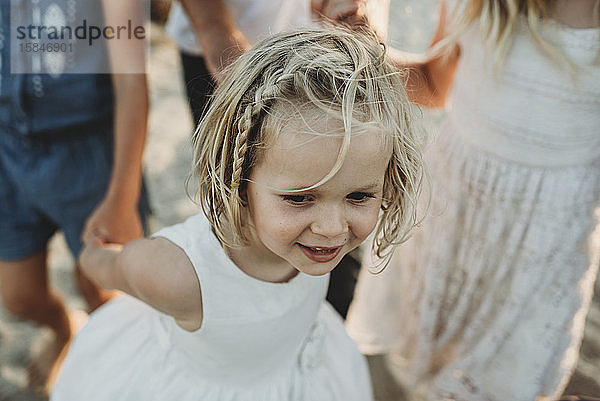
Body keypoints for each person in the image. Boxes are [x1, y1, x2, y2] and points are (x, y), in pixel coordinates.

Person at [50, 26, 425, 400]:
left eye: (358, 196)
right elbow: (107, 267)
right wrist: (94, 252)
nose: (332, 229)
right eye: (299, 199)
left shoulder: (309, 245)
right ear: (238, 178)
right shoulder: (178, 276)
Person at [345, 0, 600, 400]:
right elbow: (432, 84)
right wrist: (357, 39)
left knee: (504, 383)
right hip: (449, 219)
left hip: (539, 254)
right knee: (408, 364)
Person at [0, 0, 150, 393]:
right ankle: (63, 328)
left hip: (90, 155)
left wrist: (122, 196)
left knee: (105, 293)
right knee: (18, 297)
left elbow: (133, 81)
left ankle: (111, 371)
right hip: (10, 152)